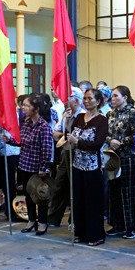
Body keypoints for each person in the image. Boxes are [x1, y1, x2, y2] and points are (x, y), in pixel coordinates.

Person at [67, 88, 108, 246]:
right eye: (85, 98)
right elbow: (70, 136)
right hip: (77, 164)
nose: (86, 101)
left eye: (90, 98)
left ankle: (95, 234)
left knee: (93, 201)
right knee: (78, 199)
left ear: (98, 102)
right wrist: (67, 125)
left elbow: (97, 144)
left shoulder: (101, 120)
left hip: (93, 167)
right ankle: (80, 232)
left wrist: (78, 142)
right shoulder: (79, 117)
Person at [105, 85, 135, 239]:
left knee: (128, 192)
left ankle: (131, 226)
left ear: (125, 98)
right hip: (113, 157)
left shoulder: (133, 113)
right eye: (112, 96)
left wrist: (121, 142)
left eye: (116, 96)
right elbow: (105, 133)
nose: (113, 99)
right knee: (114, 191)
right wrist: (110, 141)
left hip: (128, 156)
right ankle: (116, 224)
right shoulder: (110, 114)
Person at [17, 94, 54, 235]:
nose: (24, 108)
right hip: (24, 164)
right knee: (28, 194)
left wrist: (43, 167)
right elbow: (21, 141)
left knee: (41, 195)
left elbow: (46, 149)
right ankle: (31, 220)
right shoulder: (26, 122)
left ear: (36, 109)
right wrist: (9, 140)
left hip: (37, 167)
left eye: (27, 106)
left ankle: (42, 222)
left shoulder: (43, 126)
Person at [47, 87, 84, 226]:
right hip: (65, 153)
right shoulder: (65, 114)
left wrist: (68, 136)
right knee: (59, 184)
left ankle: (74, 219)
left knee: (75, 186)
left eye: (67, 98)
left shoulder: (83, 116)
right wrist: (65, 133)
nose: (64, 101)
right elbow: (55, 133)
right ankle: (53, 218)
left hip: (78, 154)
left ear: (76, 101)